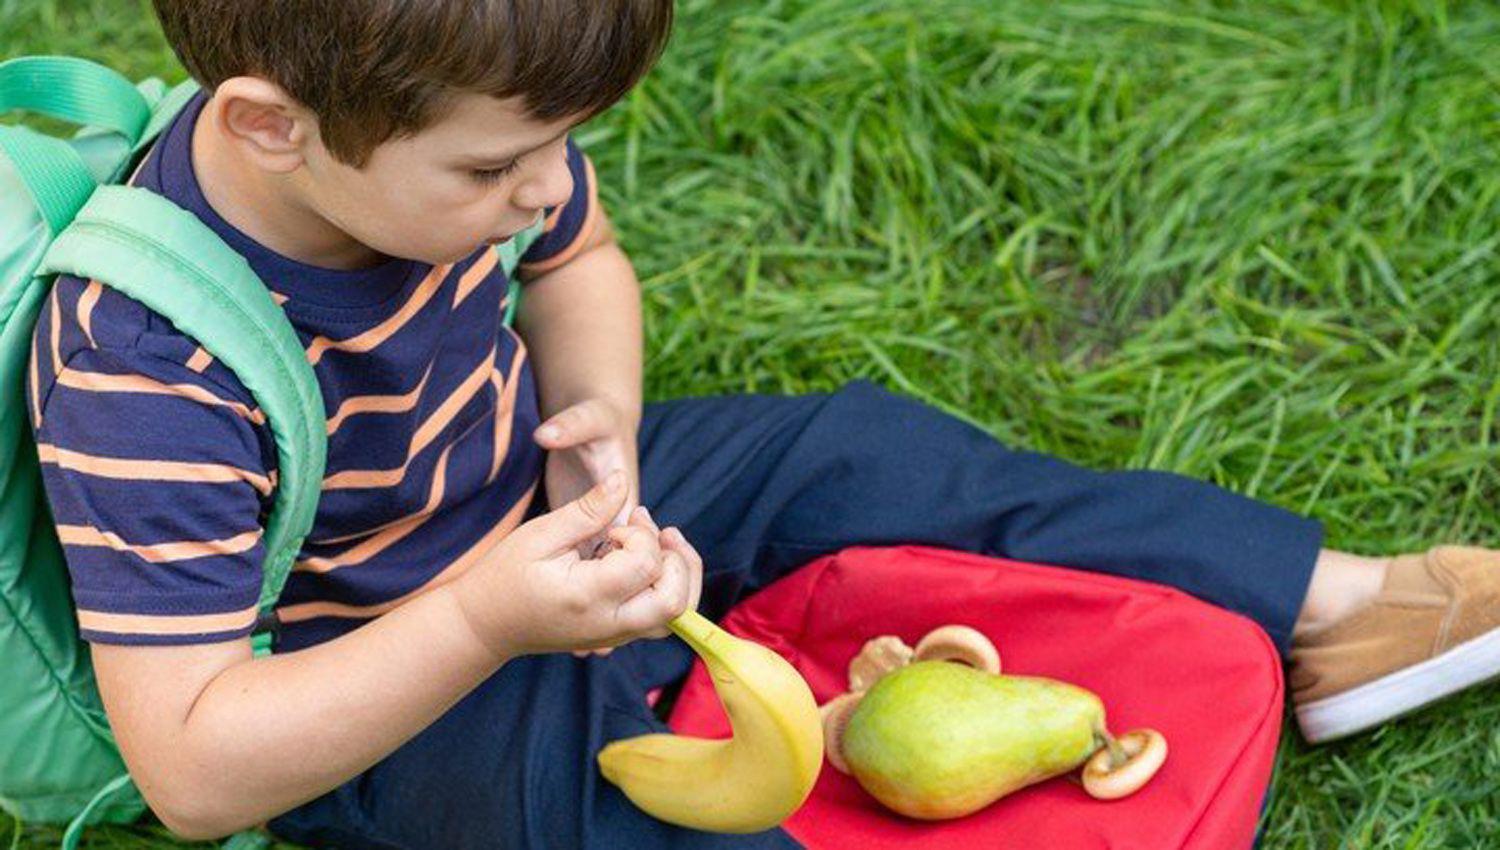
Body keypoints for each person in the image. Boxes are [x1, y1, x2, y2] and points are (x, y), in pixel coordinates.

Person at [25, 1, 1499, 847]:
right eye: (499, 165)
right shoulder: (146, 367)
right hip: (382, 681)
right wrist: (485, 620)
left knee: (864, 451)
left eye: (563, 144)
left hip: (527, 510)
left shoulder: (451, 157)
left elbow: (579, 264)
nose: (544, 188)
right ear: (271, 123)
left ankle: (1346, 606)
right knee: (642, 812)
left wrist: (597, 415)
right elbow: (200, 767)